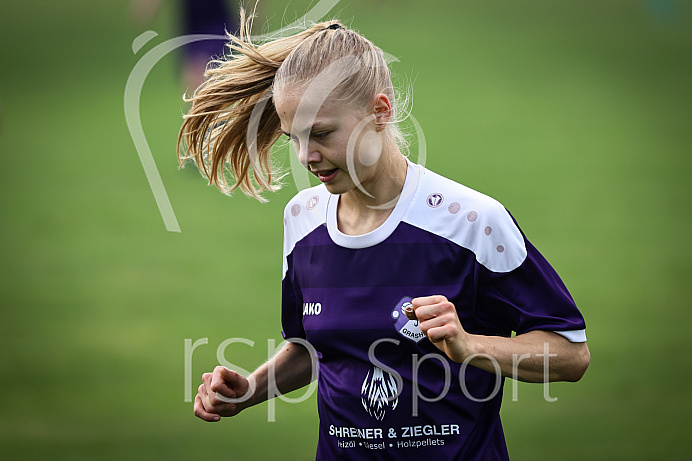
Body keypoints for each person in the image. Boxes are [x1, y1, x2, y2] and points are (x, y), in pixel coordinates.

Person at [178, 11, 590, 460]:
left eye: (321, 134)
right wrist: (250, 388)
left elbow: (569, 354)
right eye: (293, 138)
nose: (305, 156)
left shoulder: (471, 221)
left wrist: (469, 346)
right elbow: (315, 347)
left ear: (380, 111)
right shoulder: (303, 220)